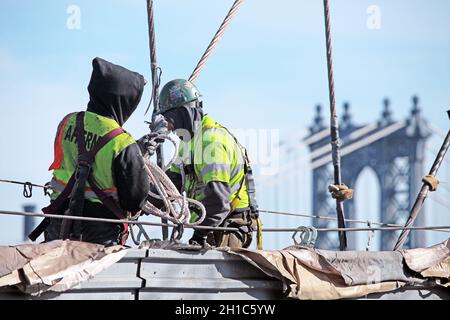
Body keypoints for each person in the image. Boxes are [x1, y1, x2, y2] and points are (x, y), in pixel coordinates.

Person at [30, 57, 150, 246]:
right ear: (124, 101)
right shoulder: (122, 141)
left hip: (58, 223)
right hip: (100, 232)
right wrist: (137, 153)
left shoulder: (67, 122)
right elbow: (134, 201)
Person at [144, 79, 260, 248]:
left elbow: (219, 201)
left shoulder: (211, 141)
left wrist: (198, 235)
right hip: (210, 224)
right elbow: (169, 186)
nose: (170, 128)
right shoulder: (187, 142)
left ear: (181, 113)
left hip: (228, 226)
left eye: (170, 119)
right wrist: (139, 205)